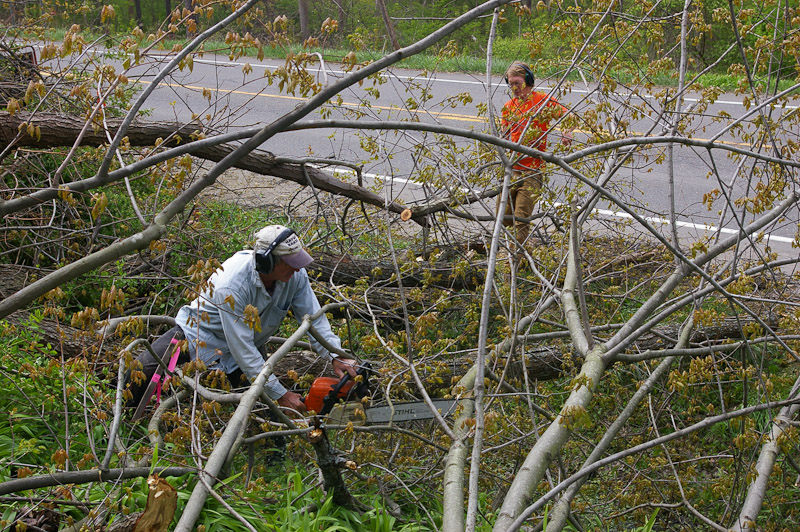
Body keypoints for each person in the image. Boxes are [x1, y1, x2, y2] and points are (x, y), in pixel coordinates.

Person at [127, 224, 358, 415]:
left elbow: (313, 320)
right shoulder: (233, 285)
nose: (296, 269)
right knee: (138, 376)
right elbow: (242, 347)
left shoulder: (295, 277)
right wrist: (281, 394)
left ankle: (274, 459)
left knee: (267, 413)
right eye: (290, 263)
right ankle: (120, 422)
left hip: (247, 346)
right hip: (199, 336)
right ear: (266, 262)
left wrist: (336, 355)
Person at [499, 61, 573, 251]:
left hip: (532, 172)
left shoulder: (542, 102)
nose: (514, 88)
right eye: (511, 84)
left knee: (521, 220)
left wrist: (567, 132)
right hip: (511, 169)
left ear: (529, 81)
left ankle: (513, 264)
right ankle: (515, 252)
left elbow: (569, 117)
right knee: (503, 217)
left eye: (517, 83)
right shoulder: (508, 107)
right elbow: (504, 136)